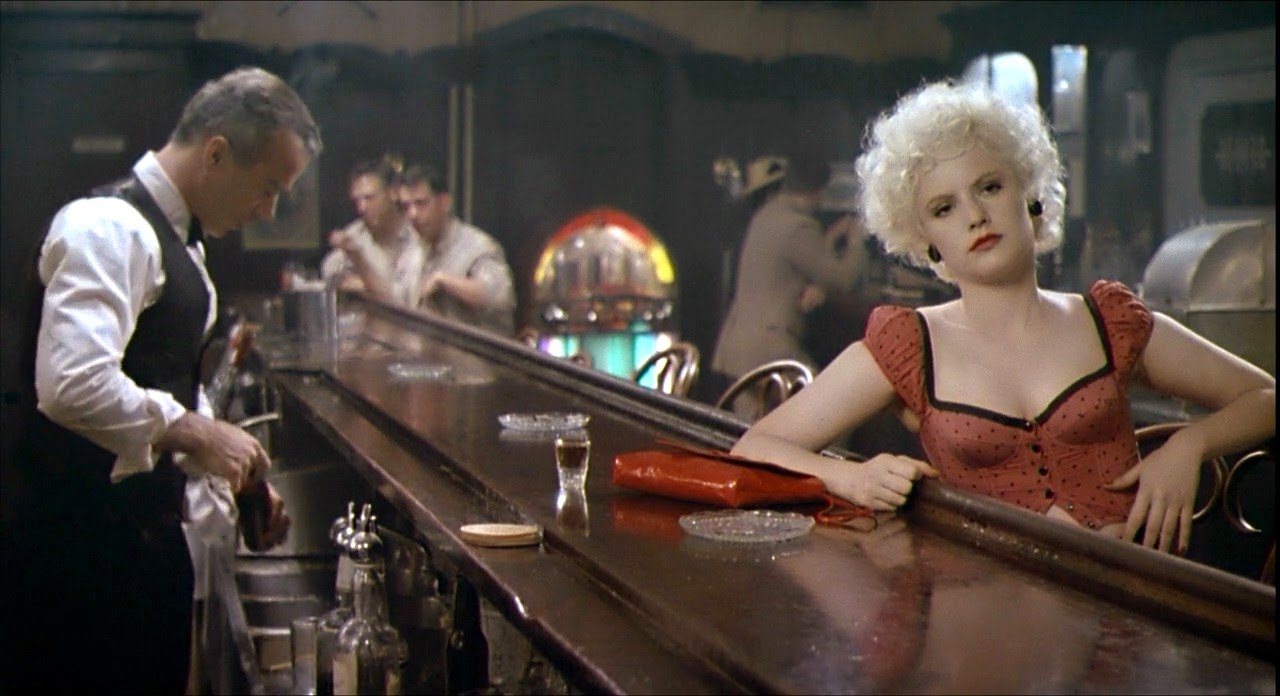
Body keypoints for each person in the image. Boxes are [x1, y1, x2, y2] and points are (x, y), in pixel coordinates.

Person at [731, 80, 1275, 555]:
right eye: (944, 208)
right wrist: (850, 477)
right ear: (926, 240)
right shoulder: (911, 344)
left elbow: (1266, 396)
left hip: (1129, 596)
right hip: (985, 611)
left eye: (989, 186)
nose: (975, 216)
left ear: (1029, 197)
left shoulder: (1108, 322)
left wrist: (1189, 445)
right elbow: (754, 446)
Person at [3, 66, 318, 692]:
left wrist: (235, 470)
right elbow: (72, 384)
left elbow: (160, 379)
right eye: (267, 188)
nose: (268, 211)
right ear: (216, 154)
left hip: (131, 557)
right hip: (83, 568)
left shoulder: (179, 241)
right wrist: (198, 433)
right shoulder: (108, 226)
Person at [710, 152, 868, 412]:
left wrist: (829, 239)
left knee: (748, 430)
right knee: (829, 410)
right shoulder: (799, 226)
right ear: (819, 191)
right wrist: (856, 241)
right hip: (769, 347)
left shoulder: (767, 215)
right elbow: (842, 279)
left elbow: (789, 265)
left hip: (739, 348)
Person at [396, 163, 516, 335]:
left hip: (473, 349)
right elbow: (397, 300)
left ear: (444, 202)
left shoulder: (478, 246)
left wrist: (444, 281)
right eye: (406, 207)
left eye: (421, 204)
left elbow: (498, 297)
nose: (413, 214)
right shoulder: (412, 250)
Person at [320, 153, 422, 305]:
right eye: (357, 200)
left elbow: (405, 299)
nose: (361, 207)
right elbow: (329, 272)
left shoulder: (416, 236)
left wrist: (364, 280)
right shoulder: (356, 233)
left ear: (394, 193)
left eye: (369, 198)